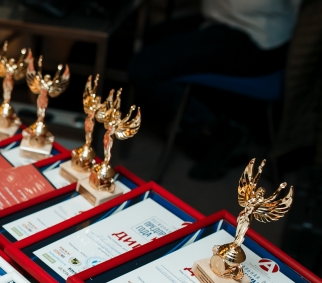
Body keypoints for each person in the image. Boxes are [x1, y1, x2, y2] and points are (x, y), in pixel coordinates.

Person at [128, 0, 301, 179]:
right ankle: (197, 119)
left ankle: (217, 130)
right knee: (146, 37)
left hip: (256, 36)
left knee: (142, 68)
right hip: (222, 20)